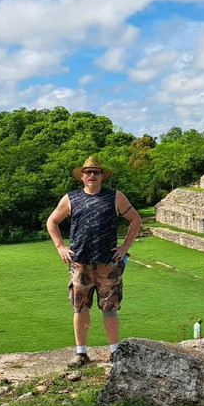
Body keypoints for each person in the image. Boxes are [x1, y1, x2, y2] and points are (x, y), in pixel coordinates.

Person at [46, 155, 142, 367]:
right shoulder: (71, 198)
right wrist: (60, 247)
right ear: (82, 176)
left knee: (110, 307)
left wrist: (125, 247)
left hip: (108, 262)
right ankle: (81, 353)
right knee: (80, 307)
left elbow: (135, 219)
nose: (92, 175)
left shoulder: (115, 197)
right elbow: (52, 221)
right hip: (80, 261)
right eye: (88, 172)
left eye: (96, 172)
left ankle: (115, 351)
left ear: (102, 176)